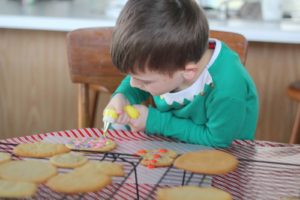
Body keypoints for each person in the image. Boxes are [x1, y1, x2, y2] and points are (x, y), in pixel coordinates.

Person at [104, 0, 259, 148]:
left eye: (145, 81)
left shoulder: (227, 88)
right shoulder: (174, 60)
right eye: (132, 76)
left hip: (223, 156)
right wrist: (123, 96)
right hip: (173, 145)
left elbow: (216, 140)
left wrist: (154, 121)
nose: (133, 83)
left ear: (189, 72)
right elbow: (139, 79)